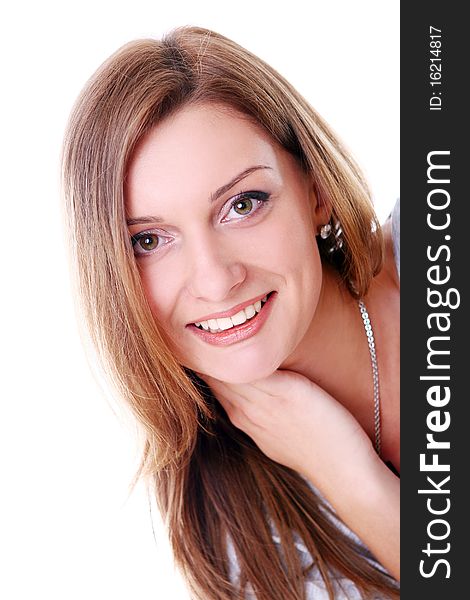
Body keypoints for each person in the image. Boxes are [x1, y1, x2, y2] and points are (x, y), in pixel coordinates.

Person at [62, 26, 400, 599]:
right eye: (149, 241)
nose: (216, 280)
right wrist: (352, 480)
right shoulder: (230, 527)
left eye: (242, 205)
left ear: (314, 189)